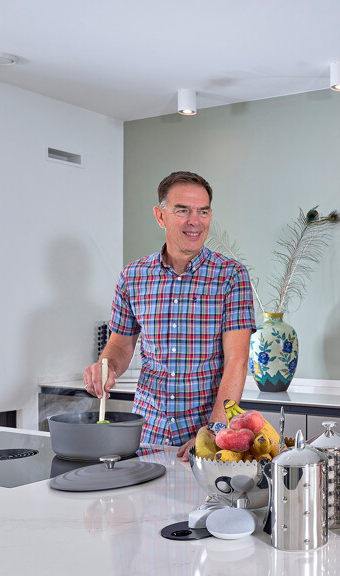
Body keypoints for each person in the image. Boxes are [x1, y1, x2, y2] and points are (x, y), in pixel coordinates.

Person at [83, 171, 256, 461]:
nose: (195, 221)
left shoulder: (230, 276)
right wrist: (106, 367)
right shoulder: (133, 276)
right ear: (160, 216)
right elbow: (120, 346)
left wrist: (213, 431)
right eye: (182, 210)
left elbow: (236, 360)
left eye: (203, 211)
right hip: (147, 435)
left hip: (202, 438)